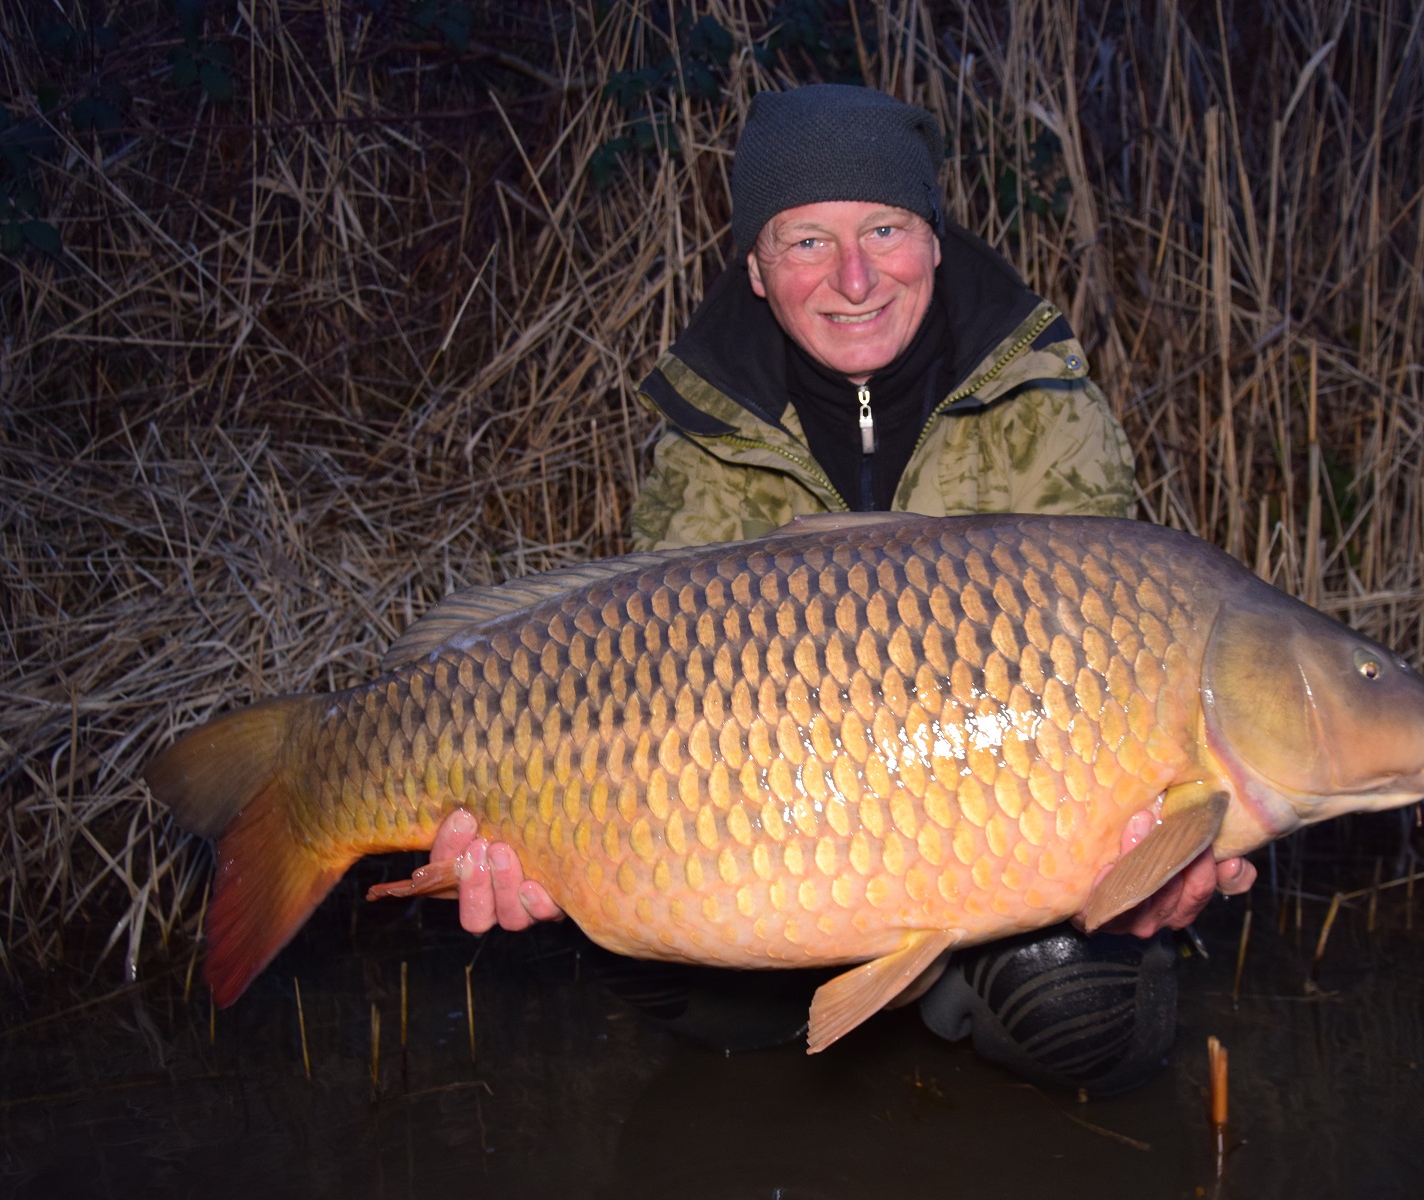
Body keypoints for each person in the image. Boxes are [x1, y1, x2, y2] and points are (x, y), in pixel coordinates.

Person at [425, 85, 1254, 1092]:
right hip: (776, 849)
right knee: (645, 956)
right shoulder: (706, 440)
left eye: (884, 228)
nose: (855, 277)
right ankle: (801, 1048)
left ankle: (958, 1010)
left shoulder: (1048, 416)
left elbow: (1115, 690)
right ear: (757, 271)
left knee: (1081, 1004)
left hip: (989, 865)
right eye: (807, 242)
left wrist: (1167, 861)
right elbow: (640, 695)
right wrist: (548, 843)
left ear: (934, 240)